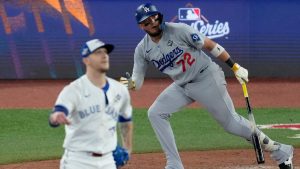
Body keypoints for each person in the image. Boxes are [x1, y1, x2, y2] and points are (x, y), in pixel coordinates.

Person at [121, 3, 294, 169]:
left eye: (154, 17)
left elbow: (211, 45)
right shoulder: (142, 49)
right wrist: (131, 84)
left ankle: (280, 150)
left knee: (231, 124)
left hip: (206, 77)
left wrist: (234, 66)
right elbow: (137, 80)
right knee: (155, 113)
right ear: (140, 26)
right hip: (182, 85)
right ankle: (174, 164)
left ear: (159, 16)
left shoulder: (179, 30)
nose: (152, 22)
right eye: (146, 21)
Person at [49, 39, 133, 169]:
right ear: (86, 60)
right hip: (77, 161)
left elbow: (126, 120)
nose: (104, 55)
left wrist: (127, 150)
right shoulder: (73, 90)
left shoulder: (120, 90)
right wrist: (56, 117)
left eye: (106, 52)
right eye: (98, 52)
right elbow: (58, 112)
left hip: (108, 161)